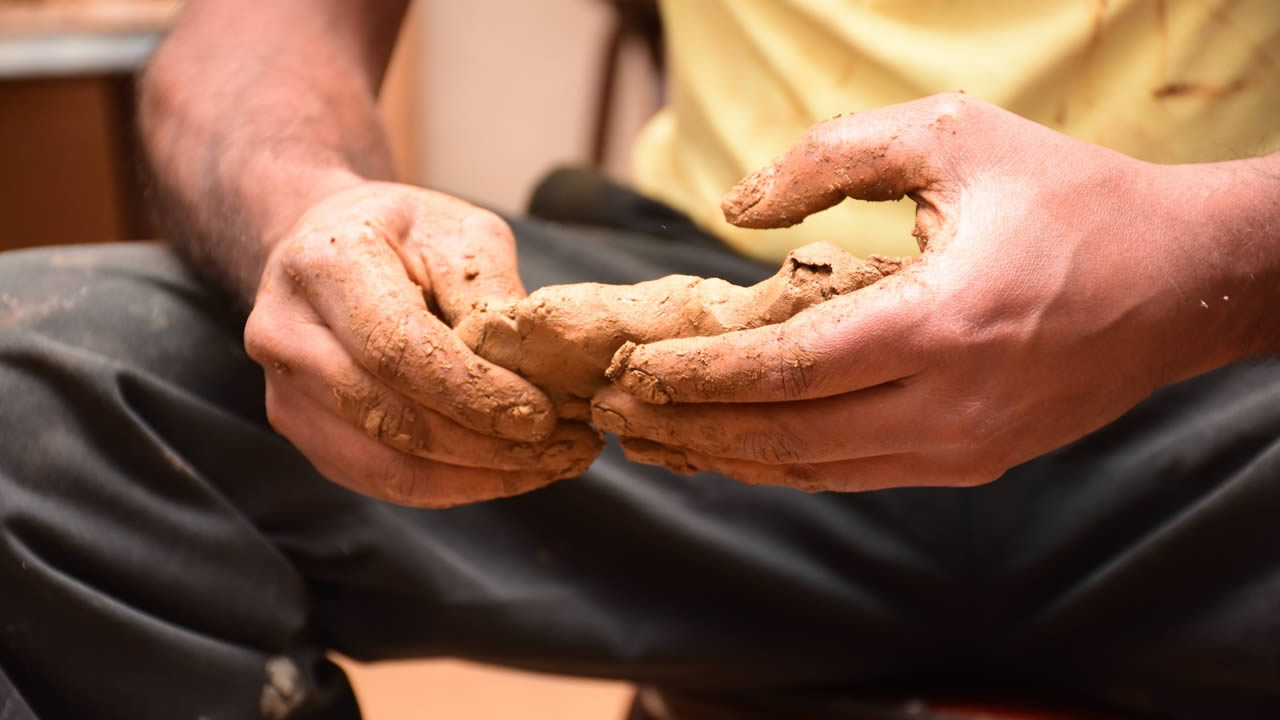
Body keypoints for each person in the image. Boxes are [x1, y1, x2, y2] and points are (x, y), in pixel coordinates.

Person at [1, 0, 1277, 718]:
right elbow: (254, 37)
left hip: (1224, 392)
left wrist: (1208, 262)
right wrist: (303, 211)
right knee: (28, 385)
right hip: (684, 422)